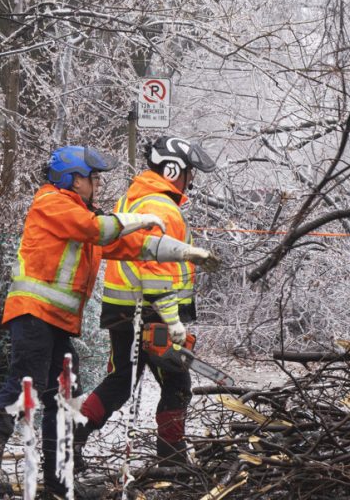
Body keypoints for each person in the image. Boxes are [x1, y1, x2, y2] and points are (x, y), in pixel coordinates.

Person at [0, 146, 218, 499]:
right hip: (34, 314)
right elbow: (97, 229)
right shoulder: (52, 203)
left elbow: (130, 246)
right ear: (72, 178)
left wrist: (185, 252)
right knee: (28, 385)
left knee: (61, 394)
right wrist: (138, 220)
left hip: (55, 321)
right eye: (93, 178)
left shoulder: (82, 214)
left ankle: (58, 479)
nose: (98, 184)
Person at [74, 136, 219, 471]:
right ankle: (171, 456)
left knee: (121, 380)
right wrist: (170, 323)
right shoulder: (159, 206)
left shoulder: (137, 199)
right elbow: (154, 268)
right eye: (188, 172)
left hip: (127, 308)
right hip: (149, 310)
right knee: (178, 383)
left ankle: (72, 437)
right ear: (173, 170)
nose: (191, 179)